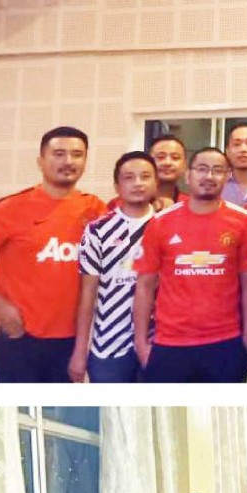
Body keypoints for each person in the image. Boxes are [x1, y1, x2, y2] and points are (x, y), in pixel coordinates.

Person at [0, 126, 106, 382]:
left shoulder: (95, 209)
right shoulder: (11, 208)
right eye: (59, 153)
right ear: (40, 161)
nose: (68, 161)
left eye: (77, 154)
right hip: (19, 338)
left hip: (70, 343)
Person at [133, 147, 247, 383]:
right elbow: (145, 285)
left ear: (227, 176)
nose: (209, 177)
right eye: (202, 169)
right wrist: (141, 343)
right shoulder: (160, 222)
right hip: (169, 344)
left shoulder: (242, 220)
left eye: (217, 170)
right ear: (188, 175)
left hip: (225, 343)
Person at [69, 150, 157, 383]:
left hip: (158, 342)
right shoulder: (98, 230)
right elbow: (88, 292)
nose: (138, 183)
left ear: (155, 182)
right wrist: (80, 351)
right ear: (117, 186)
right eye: (129, 177)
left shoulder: (168, 225)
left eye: (145, 176)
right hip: (108, 343)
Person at [147, 133, 190, 206]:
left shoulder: (191, 205)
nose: (167, 163)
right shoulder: (128, 204)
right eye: (160, 157)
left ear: (185, 164)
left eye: (175, 157)